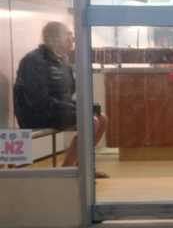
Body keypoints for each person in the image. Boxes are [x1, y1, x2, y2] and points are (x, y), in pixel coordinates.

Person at [13, 21, 108, 172]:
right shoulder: (33, 60)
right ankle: (66, 171)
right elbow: (38, 99)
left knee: (101, 118)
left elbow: (68, 93)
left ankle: (82, 168)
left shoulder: (62, 60)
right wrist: (75, 108)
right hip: (36, 114)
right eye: (69, 34)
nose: (73, 39)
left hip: (55, 110)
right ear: (55, 38)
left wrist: (79, 106)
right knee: (91, 121)